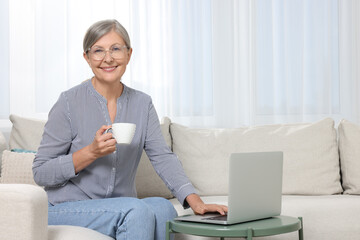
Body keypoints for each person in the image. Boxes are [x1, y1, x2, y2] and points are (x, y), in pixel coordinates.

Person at [32, 19, 227, 240]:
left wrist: (196, 202)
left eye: (116, 49)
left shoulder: (142, 104)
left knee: (163, 208)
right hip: (67, 207)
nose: (108, 58)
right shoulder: (68, 102)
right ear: (86, 57)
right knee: (136, 211)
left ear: (129, 54)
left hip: (119, 204)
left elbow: (163, 157)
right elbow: (41, 172)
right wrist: (91, 152)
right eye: (98, 51)